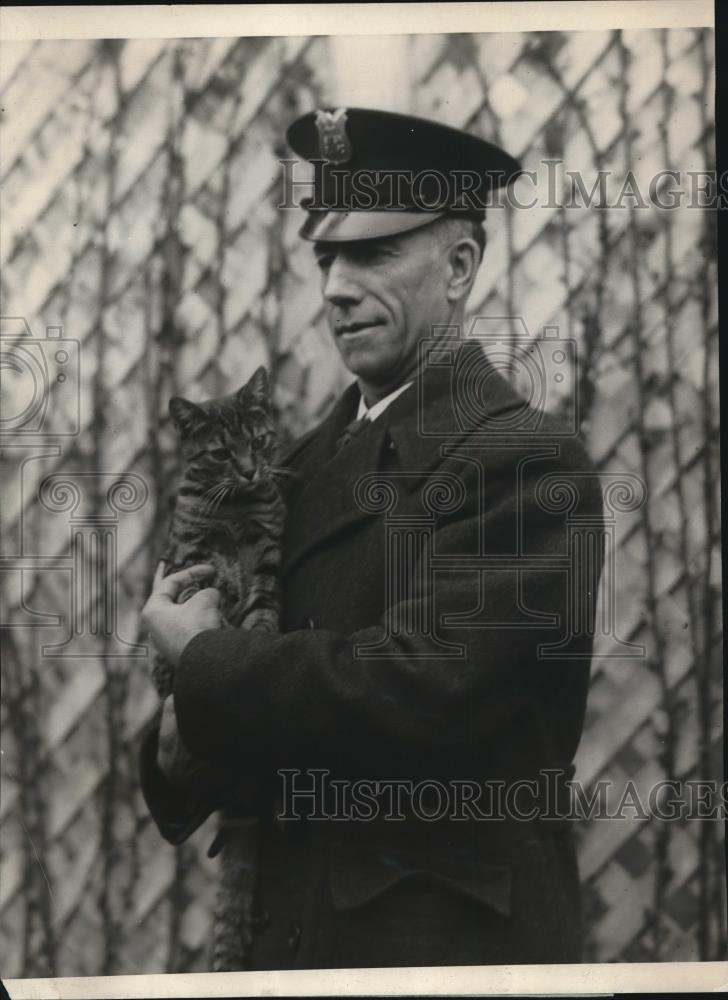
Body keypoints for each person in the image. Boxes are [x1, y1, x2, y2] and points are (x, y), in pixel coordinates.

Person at [140, 107, 605, 969]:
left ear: (460, 265)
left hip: (444, 955)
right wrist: (178, 744)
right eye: (326, 256)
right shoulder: (302, 463)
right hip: (289, 949)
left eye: (373, 253)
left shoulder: (523, 457)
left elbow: (426, 692)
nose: (335, 288)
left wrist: (207, 667)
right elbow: (268, 697)